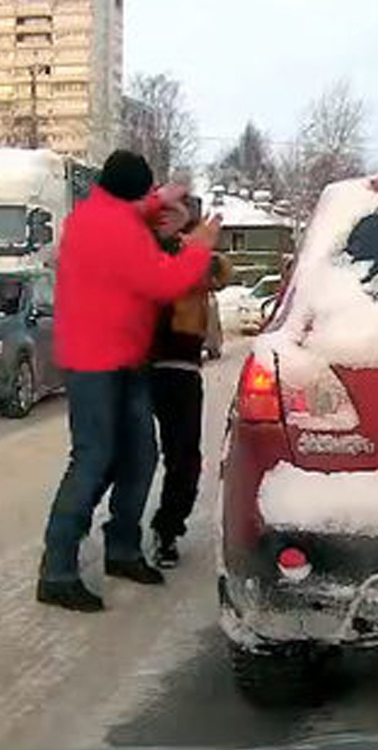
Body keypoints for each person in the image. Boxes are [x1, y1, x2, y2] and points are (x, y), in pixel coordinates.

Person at [37, 150, 221, 613]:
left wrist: (163, 197)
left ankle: (122, 547)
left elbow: (134, 208)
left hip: (128, 357)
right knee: (94, 458)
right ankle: (56, 570)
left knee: (141, 454)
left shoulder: (101, 209)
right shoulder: (115, 229)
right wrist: (199, 243)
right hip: (96, 363)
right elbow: (164, 282)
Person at [147, 207, 232, 566]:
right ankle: (121, 535)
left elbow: (221, 274)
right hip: (138, 365)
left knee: (183, 457)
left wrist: (201, 248)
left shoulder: (196, 255)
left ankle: (167, 530)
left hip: (180, 366)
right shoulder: (144, 249)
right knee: (131, 456)